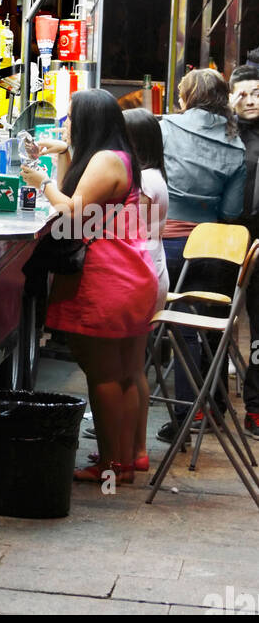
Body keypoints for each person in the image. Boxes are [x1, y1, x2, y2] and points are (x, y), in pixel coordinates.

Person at [20, 89, 158, 483]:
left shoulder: (105, 161)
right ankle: (129, 458)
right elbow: (77, 193)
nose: (65, 122)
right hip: (133, 274)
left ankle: (112, 464)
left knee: (101, 373)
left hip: (108, 277)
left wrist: (41, 179)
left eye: (69, 117)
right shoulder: (118, 155)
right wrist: (63, 151)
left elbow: (69, 209)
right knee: (127, 370)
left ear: (88, 121)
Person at [157, 68, 245, 443]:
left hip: (167, 242)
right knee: (194, 330)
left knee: (165, 327)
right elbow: (232, 210)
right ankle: (193, 411)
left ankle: (180, 412)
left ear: (188, 97)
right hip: (213, 248)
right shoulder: (235, 143)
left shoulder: (165, 127)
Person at [122, 108, 170, 471]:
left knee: (128, 367)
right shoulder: (151, 176)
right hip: (150, 270)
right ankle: (134, 450)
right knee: (132, 365)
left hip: (143, 275)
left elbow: (117, 224)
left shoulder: (146, 183)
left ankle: (132, 450)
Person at [229, 65, 259, 440]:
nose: (250, 101)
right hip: (228, 233)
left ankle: (256, 407)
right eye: (242, 94)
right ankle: (210, 404)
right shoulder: (224, 131)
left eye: (257, 92)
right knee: (220, 317)